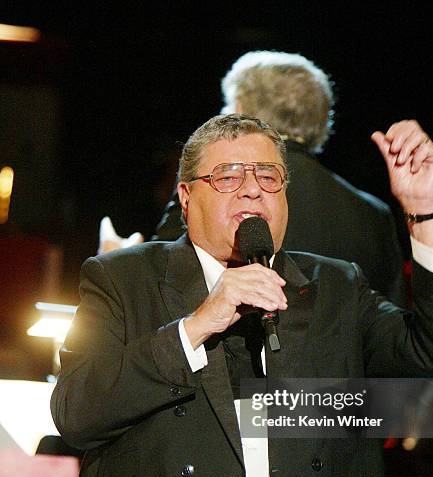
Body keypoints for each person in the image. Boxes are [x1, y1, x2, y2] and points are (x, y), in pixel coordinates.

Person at [51, 113, 433, 477]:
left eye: (268, 176)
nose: (252, 190)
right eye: (228, 176)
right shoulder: (121, 279)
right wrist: (199, 323)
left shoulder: (334, 285)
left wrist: (424, 211)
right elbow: (76, 413)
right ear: (186, 198)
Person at [104, 51, 408, 306]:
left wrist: (121, 263)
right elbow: (396, 329)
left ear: (238, 111)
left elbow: (166, 285)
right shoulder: (374, 214)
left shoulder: (212, 185)